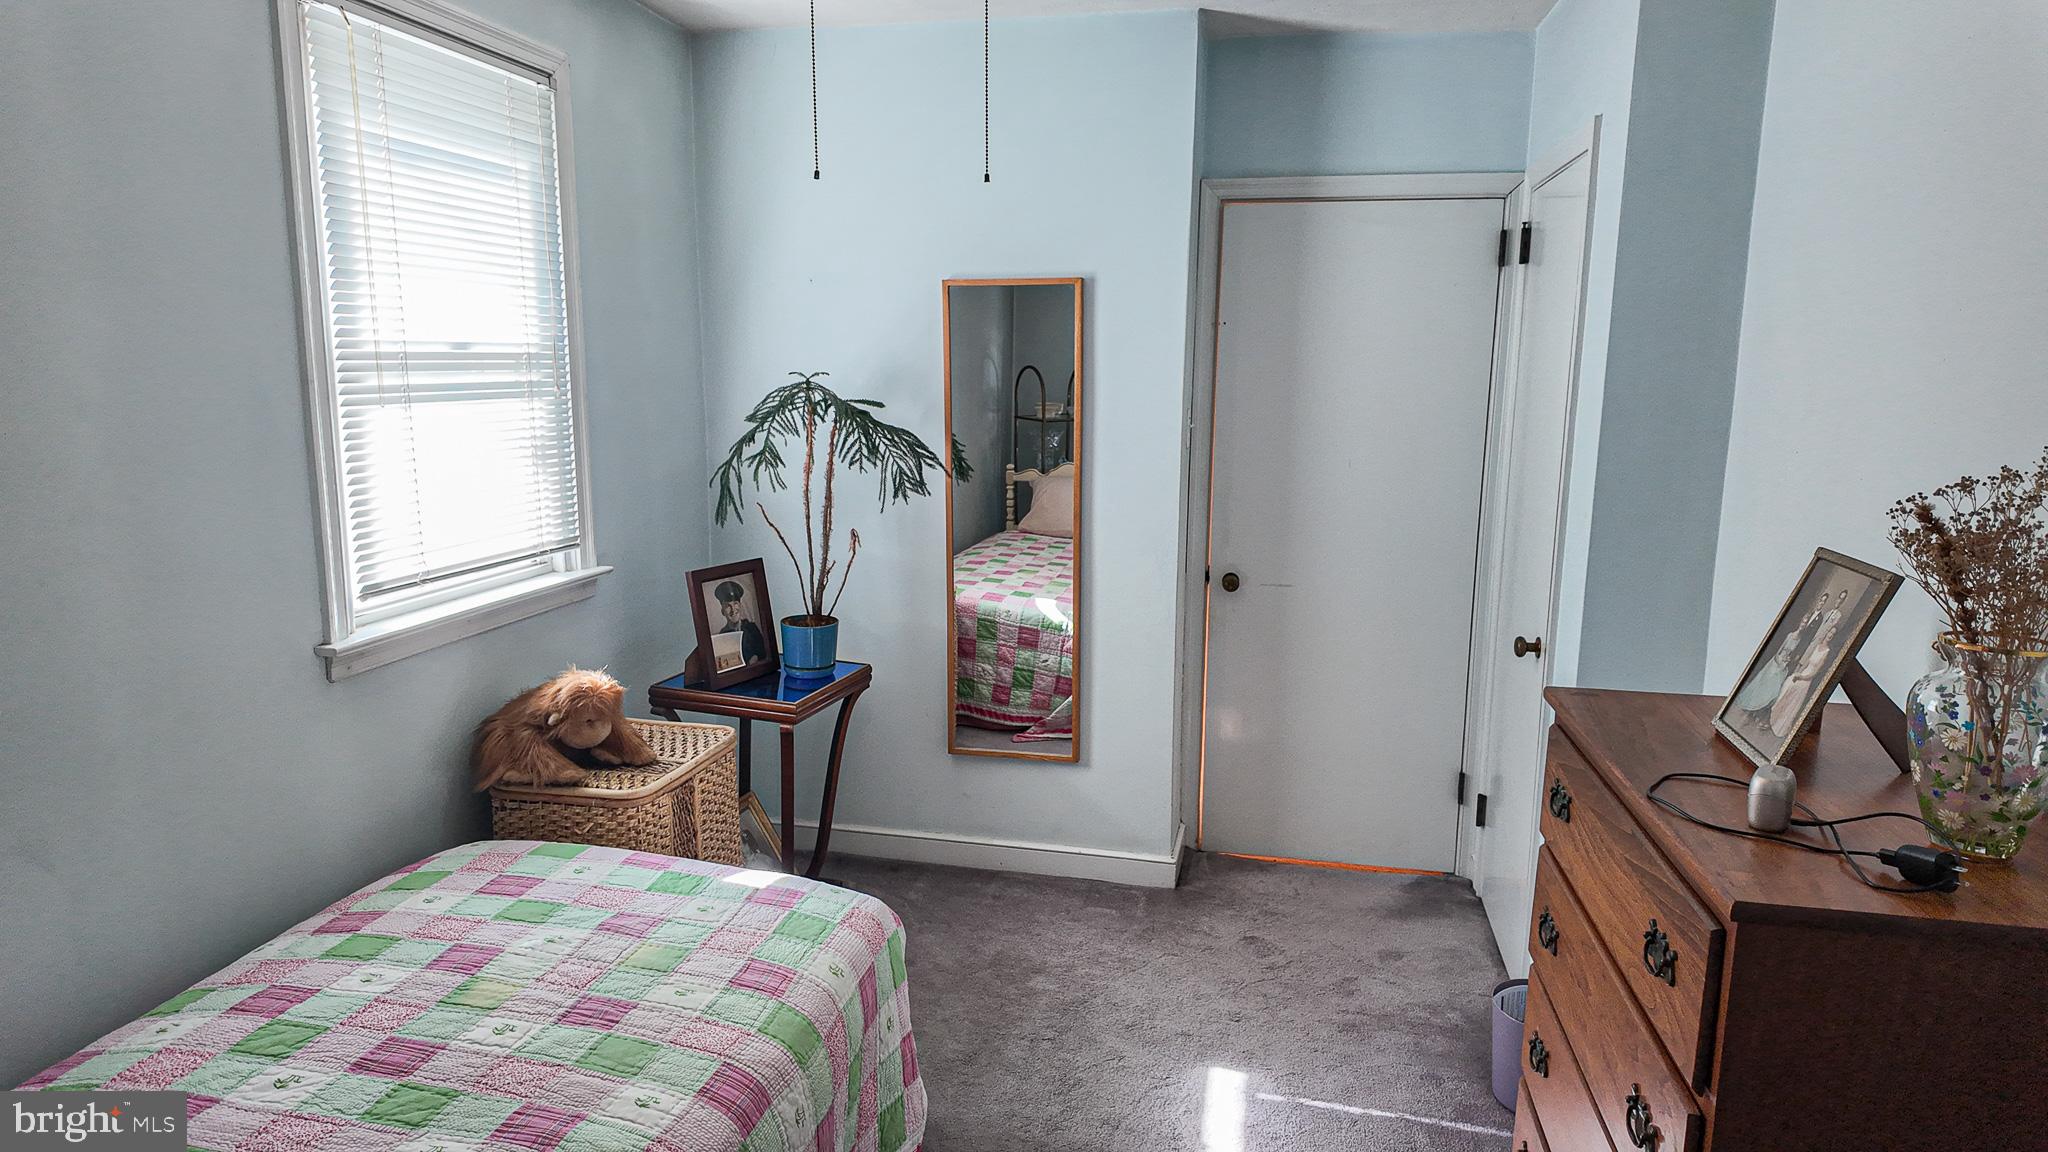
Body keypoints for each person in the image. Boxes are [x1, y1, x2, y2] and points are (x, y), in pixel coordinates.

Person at [714, 580, 766, 664]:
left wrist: (755, 659)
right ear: (722, 611)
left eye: (735, 603)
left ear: (740, 606)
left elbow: (763, 652)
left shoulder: (752, 628)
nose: (733, 609)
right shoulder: (722, 636)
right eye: (728, 606)